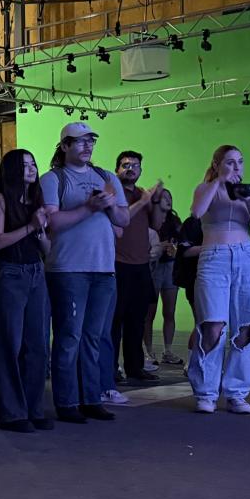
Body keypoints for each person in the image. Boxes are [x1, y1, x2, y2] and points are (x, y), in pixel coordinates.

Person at [39, 123, 129, 424]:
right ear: (64, 146)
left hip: (103, 268)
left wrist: (109, 205)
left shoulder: (106, 177)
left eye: (91, 141)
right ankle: (66, 402)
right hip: (68, 269)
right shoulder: (53, 179)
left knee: (94, 336)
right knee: (69, 336)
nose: (87, 146)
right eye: (79, 142)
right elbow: (52, 223)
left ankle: (91, 398)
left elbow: (124, 219)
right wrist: (90, 207)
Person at [186, 145, 250, 414]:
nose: (237, 167)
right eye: (230, 162)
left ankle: (236, 392)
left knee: (246, 326)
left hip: (246, 256)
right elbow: (197, 212)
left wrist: (249, 200)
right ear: (217, 164)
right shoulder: (206, 187)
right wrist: (219, 181)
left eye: (240, 162)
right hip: (214, 256)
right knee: (212, 324)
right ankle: (206, 392)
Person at [0, 149, 53, 433]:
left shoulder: (35, 201)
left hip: (36, 271)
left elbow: (47, 249)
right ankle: (12, 413)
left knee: (37, 345)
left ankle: (34, 408)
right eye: (24, 165)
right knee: (9, 345)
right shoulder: (0, 199)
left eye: (33, 164)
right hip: (10, 273)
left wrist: (41, 230)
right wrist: (30, 226)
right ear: (12, 169)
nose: (31, 168)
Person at [109, 151, 162, 386]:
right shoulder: (112, 191)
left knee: (137, 320)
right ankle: (110, 368)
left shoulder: (144, 194)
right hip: (117, 264)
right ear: (117, 169)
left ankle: (135, 367)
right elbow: (120, 219)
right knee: (114, 321)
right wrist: (143, 201)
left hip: (141, 265)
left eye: (135, 165)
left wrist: (157, 201)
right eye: (125, 165)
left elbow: (157, 224)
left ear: (141, 170)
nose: (130, 169)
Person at [145, 185, 183, 367]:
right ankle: (148, 352)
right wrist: (160, 245)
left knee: (169, 312)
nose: (167, 201)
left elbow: (182, 245)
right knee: (149, 313)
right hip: (153, 267)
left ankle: (168, 350)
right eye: (163, 197)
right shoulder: (148, 220)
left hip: (170, 267)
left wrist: (174, 249)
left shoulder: (175, 221)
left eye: (170, 197)